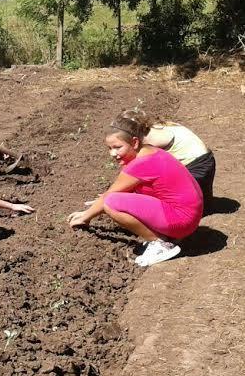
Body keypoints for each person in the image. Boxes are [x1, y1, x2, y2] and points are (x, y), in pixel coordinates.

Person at [67, 114, 203, 267]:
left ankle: (160, 245)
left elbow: (109, 197)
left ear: (135, 142)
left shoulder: (140, 164)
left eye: (118, 147)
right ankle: (168, 236)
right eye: (109, 148)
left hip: (181, 221)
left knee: (111, 203)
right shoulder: (153, 152)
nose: (112, 153)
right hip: (189, 218)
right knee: (118, 198)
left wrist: (85, 217)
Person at [119, 109, 216, 213]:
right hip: (206, 160)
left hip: (197, 166)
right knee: (202, 201)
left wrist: (120, 190)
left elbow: (136, 169)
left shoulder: (148, 140)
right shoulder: (154, 128)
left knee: (151, 185)